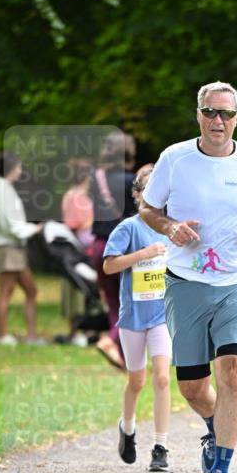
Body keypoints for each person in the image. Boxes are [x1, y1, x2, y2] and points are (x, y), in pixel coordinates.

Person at [139, 80, 237, 473]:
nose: (217, 121)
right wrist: (170, 227)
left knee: (234, 373)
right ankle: (212, 425)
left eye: (226, 113)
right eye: (210, 112)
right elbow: (148, 208)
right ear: (199, 115)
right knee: (192, 386)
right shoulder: (175, 158)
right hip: (185, 282)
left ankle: (220, 471)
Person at [103, 165, 172, 472]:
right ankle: (127, 428)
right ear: (137, 195)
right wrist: (143, 254)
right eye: (148, 192)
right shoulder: (128, 228)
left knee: (162, 377)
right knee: (136, 381)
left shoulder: (172, 227)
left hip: (162, 315)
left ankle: (161, 446)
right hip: (133, 317)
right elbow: (109, 266)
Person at [0, 150, 44, 345]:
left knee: (31, 290)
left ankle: (31, 336)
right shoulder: (0, 190)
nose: (19, 171)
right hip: (6, 246)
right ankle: (2, 335)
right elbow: (8, 224)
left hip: (14, 247)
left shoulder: (6, 189)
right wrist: (33, 229)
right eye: (18, 167)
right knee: (7, 290)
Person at [89, 131, 137, 369]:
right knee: (132, 302)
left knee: (113, 302)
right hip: (122, 249)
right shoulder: (130, 181)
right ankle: (110, 340)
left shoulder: (94, 178)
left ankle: (123, 358)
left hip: (98, 246)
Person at [60, 157, 94, 346]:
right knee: (78, 290)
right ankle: (76, 331)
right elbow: (72, 223)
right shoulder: (75, 196)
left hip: (85, 249)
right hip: (79, 250)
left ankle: (86, 330)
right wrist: (91, 222)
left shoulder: (79, 196)